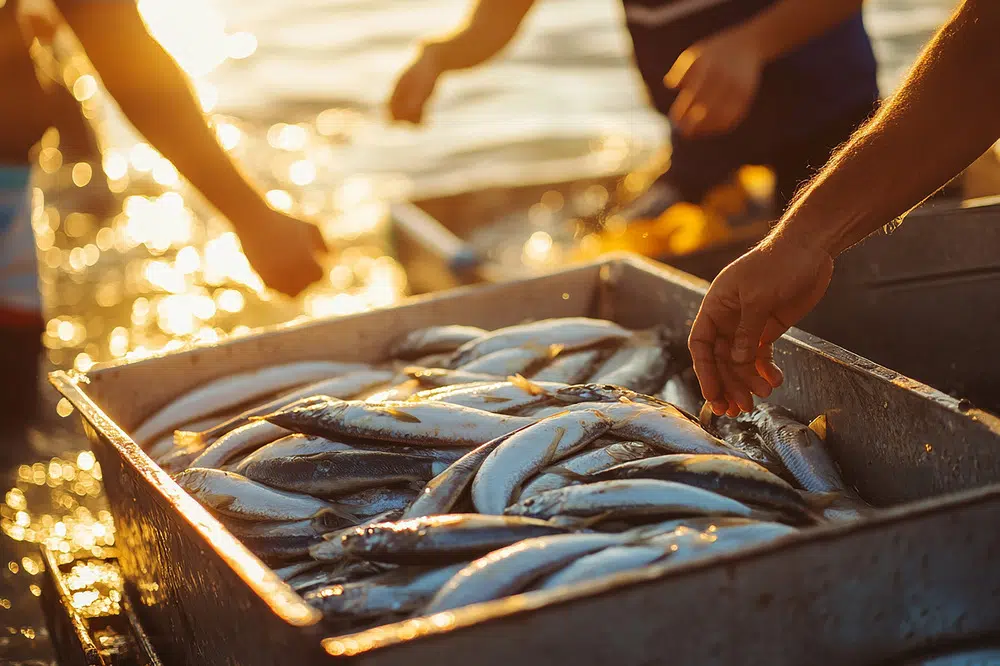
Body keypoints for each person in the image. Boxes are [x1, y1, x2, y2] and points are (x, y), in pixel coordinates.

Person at [0, 1, 327, 435]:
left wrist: (252, 217)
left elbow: (109, 32)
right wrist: (253, 218)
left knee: (13, 420)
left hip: (11, 188)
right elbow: (114, 39)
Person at [688, 0, 1000, 417]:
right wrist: (801, 242)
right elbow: (983, 57)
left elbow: (984, 52)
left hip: (829, 119)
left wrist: (754, 41)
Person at [387, 0, 879, 220]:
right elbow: (496, 16)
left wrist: (753, 43)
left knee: (827, 271)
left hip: (828, 120)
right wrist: (439, 57)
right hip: (700, 135)